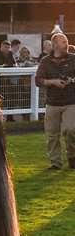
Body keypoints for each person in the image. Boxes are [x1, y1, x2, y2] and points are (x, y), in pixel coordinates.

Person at [35, 33, 75, 169]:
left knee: (70, 130)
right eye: (63, 42)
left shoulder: (73, 58)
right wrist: (53, 82)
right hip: (52, 102)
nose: (67, 44)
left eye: (66, 41)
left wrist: (71, 80)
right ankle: (55, 163)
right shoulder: (45, 61)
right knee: (52, 135)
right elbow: (38, 80)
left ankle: (72, 156)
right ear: (55, 45)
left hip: (71, 101)